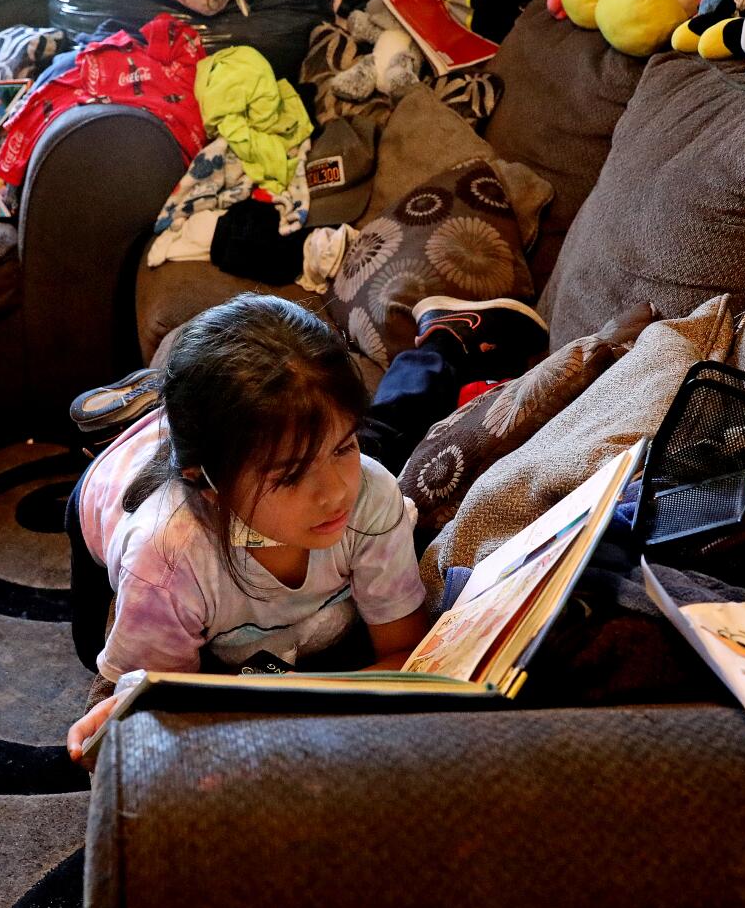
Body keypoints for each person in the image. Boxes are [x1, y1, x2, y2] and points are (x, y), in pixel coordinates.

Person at [65, 294, 460, 765]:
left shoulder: (370, 493)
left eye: (344, 446)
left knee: (394, 427)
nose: (335, 493)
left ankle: (170, 409)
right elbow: (160, 711)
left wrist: (292, 708)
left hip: (221, 459)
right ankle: (143, 420)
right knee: (94, 648)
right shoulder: (165, 558)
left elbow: (404, 656)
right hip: (109, 492)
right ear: (208, 483)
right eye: (291, 475)